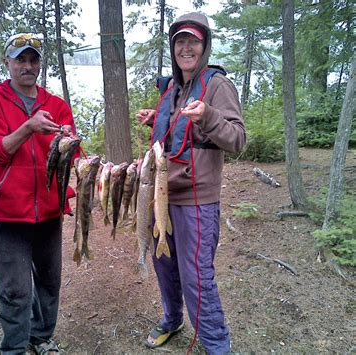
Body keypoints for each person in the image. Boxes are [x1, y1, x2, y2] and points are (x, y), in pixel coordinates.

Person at [136, 12, 246, 354]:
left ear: (204, 46)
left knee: (197, 277)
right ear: (173, 47)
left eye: (193, 41)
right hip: (161, 197)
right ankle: (172, 318)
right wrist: (158, 118)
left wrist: (209, 116)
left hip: (197, 201)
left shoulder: (217, 85)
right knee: (163, 264)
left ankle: (216, 344)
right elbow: (180, 130)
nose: (186, 47)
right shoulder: (173, 87)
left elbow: (238, 140)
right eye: (180, 41)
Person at [0, 33, 77, 354]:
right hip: (10, 214)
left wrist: (68, 141)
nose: (28, 66)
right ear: (8, 62)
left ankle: (41, 336)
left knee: (49, 283)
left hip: (50, 211)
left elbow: (73, 154)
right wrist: (27, 127)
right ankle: (14, 348)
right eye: (21, 59)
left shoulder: (56, 105)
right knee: (15, 290)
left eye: (33, 60)